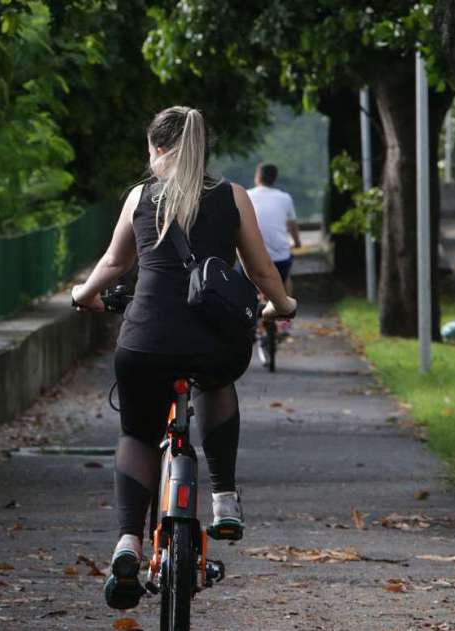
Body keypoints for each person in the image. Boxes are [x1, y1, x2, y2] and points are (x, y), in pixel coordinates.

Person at [71, 106, 297, 610]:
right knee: (215, 382)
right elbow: (261, 271)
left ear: (155, 150)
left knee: (137, 433)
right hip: (213, 339)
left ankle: (128, 541)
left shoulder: (140, 197)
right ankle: (224, 498)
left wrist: (80, 296)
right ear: (205, 150)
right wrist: (283, 305)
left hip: (145, 340)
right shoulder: (233, 196)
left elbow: (113, 263)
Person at [247, 163, 301, 295]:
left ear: (258, 177)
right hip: (280, 260)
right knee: (285, 278)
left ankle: (254, 307)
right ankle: (287, 311)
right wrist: (297, 243)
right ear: (274, 179)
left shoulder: (246, 195)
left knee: (247, 281)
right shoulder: (285, 198)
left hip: (254, 258)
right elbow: (292, 226)